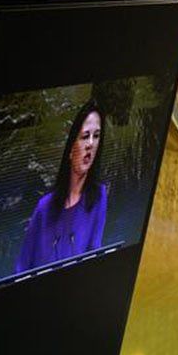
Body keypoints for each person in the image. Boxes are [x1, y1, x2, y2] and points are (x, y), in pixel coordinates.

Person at [15, 99, 108, 274]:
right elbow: (22, 269)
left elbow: (93, 258)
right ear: (70, 149)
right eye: (84, 136)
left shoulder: (99, 197)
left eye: (96, 136)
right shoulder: (45, 207)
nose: (91, 144)